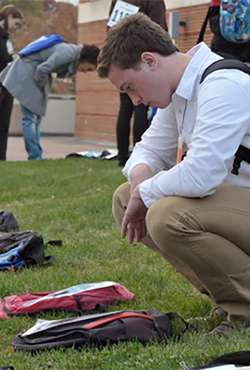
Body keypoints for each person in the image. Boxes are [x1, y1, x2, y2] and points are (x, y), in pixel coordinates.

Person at [97, 12, 250, 336]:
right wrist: (140, 184)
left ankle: (245, 310)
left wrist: (146, 192)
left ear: (150, 60)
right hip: (237, 206)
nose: (135, 100)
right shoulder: (180, 92)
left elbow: (202, 175)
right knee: (126, 198)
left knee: (167, 214)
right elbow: (148, 150)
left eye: (130, 87)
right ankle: (224, 298)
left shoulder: (223, 84)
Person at [0, 42, 99, 160]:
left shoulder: (70, 52)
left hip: (30, 72)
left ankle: (36, 154)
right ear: (86, 59)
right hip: (29, 73)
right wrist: (40, 86)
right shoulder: (68, 53)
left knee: (34, 119)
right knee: (30, 119)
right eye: (88, 68)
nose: (85, 71)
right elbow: (43, 68)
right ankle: (34, 156)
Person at [108, 0, 168, 167]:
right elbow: (160, 30)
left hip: (120, 59)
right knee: (141, 107)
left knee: (125, 109)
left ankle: (122, 156)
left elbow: (111, 29)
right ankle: (139, 156)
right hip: (142, 62)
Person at [0, 5, 22, 161]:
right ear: (9, 17)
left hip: (7, 85)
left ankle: (2, 158)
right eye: (16, 22)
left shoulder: (6, 39)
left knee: (4, 124)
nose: (16, 27)